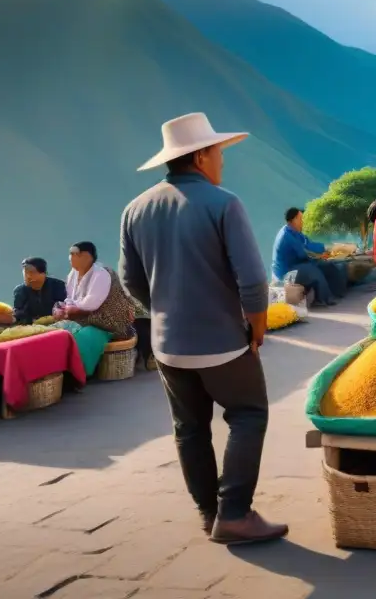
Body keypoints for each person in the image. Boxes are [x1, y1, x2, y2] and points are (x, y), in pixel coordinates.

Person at [119, 112, 287, 545]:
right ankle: (234, 514)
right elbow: (252, 279)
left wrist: (165, 311)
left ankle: (207, 512)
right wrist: (257, 326)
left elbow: (130, 281)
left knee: (189, 427)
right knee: (248, 415)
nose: (222, 163)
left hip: (168, 345)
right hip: (221, 342)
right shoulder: (223, 203)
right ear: (200, 157)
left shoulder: (135, 209)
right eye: (218, 154)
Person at [55, 241, 136, 374]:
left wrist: (71, 309)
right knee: (57, 332)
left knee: (83, 339)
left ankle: (77, 374)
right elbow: (70, 297)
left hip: (107, 322)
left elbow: (91, 304)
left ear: (87, 256)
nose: (71, 258)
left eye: (75, 254)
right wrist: (66, 308)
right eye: (71, 254)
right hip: (84, 318)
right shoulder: (73, 275)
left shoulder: (101, 274)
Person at [271, 208, 346, 307]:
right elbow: (304, 252)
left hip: (297, 264)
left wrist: (325, 248)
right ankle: (321, 300)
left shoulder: (295, 232)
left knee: (328, 265)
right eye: (300, 219)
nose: (302, 222)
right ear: (293, 220)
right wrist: (322, 253)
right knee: (313, 271)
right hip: (286, 272)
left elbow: (308, 243)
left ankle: (337, 292)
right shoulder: (286, 236)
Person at [13, 257, 67, 324]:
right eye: (25, 272)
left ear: (43, 273)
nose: (28, 276)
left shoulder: (58, 285)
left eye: (31, 272)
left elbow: (63, 308)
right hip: (32, 326)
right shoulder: (20, 290)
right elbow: (18, 313)